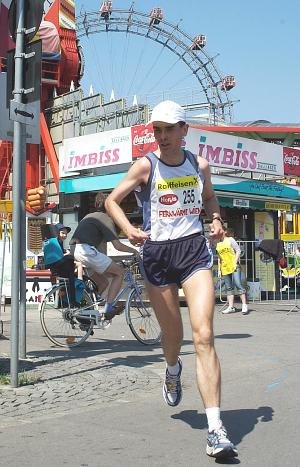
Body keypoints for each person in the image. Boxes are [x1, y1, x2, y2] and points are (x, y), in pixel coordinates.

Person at [105, 100, 238, 459]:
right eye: (157, 130)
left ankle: (215, 429)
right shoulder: (145, 166)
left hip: (194, 252)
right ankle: (172, 369)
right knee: (174, 338)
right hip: (158, 257)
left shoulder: (200, 165)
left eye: (169, 129)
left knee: (205, 335)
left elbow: (209, 197)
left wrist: (215, 219)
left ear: (184, 130)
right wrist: (130, 228)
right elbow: (111, 201)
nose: (162, 136)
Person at [70, 191, 138, 320]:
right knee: (119, 273)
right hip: (86, 250)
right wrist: (134, 251)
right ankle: (109, 308)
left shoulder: (89, 216)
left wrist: (110, 262)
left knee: (103, 283)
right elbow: (118, 246)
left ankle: (85, 310)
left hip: (76, 250)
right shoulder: (105, 218)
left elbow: (101, 250)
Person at [42, 223, 77, 307]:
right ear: (57, 233)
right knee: (74, 264)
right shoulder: (55, 242)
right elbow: (59, 256)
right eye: (62, 233)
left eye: (66, 233)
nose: (65, 235)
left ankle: (65, 300)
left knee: (74, 265)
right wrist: (67, 254)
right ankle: (72, 300)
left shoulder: (52, 242)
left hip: (54, 267)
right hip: (58, 268)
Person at [216, 228, 248, 315]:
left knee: (238, 284)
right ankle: (231, 307)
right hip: (225, 267)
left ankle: (244, 305)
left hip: (234, 266)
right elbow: (219, 257)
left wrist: (234, 262)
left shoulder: (230, 240)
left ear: (223, 232)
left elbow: (238, 250)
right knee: (228, 287)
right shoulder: (218, 243)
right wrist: (219, 270)